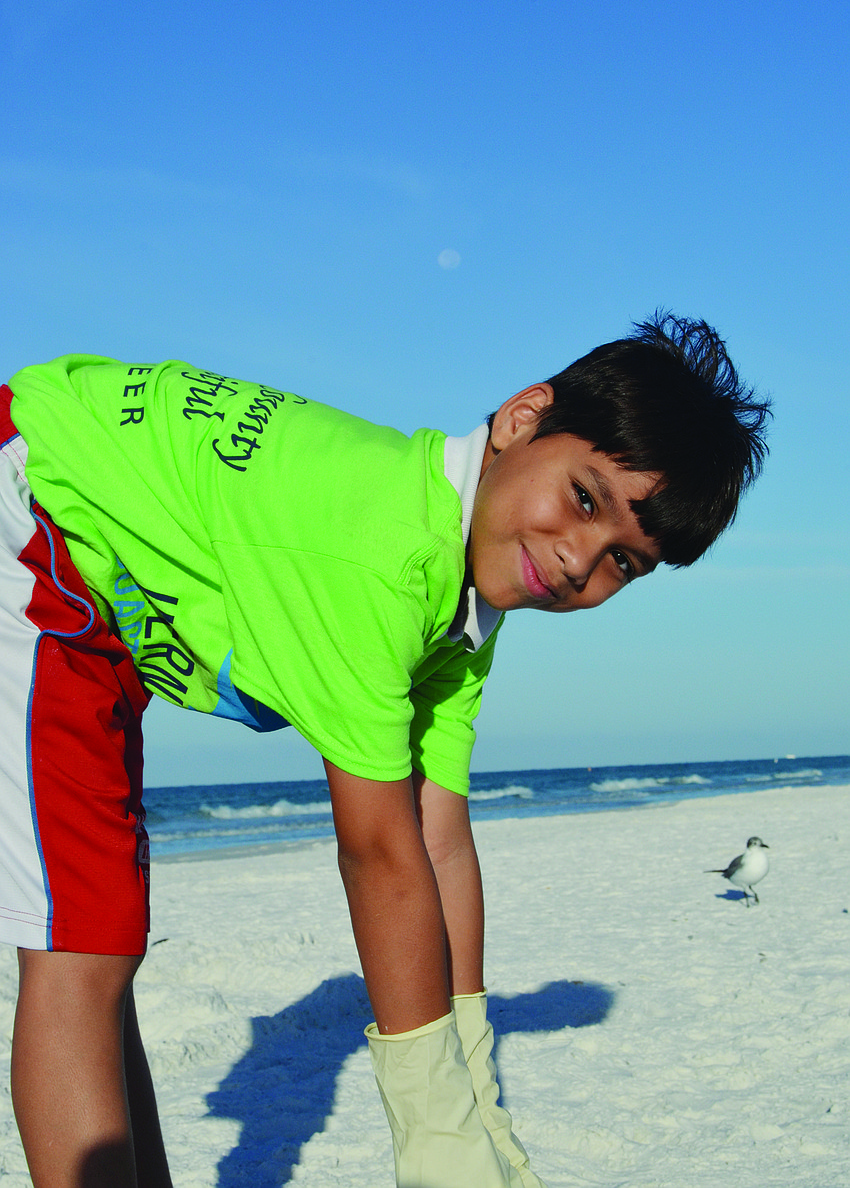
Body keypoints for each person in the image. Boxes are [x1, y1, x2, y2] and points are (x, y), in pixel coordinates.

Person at [0, 312, 770, 1188]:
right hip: (35, 504)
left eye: (623, 562)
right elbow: (379, 852)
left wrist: (471, 1083)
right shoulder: (377, 557)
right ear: (523, 419)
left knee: (102, 938)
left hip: (99, 573)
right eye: (585, 498)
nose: (575, 560)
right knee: (79, 946)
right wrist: (438, 1135)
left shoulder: (467, 596)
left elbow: (439, 838)